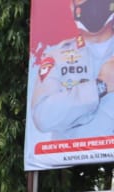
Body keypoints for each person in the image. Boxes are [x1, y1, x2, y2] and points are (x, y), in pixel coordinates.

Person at [31, 0, 114, 134]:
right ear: (72, 8)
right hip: (75, 148)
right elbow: (43, 118)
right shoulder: (56, 57)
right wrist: (100, 86)